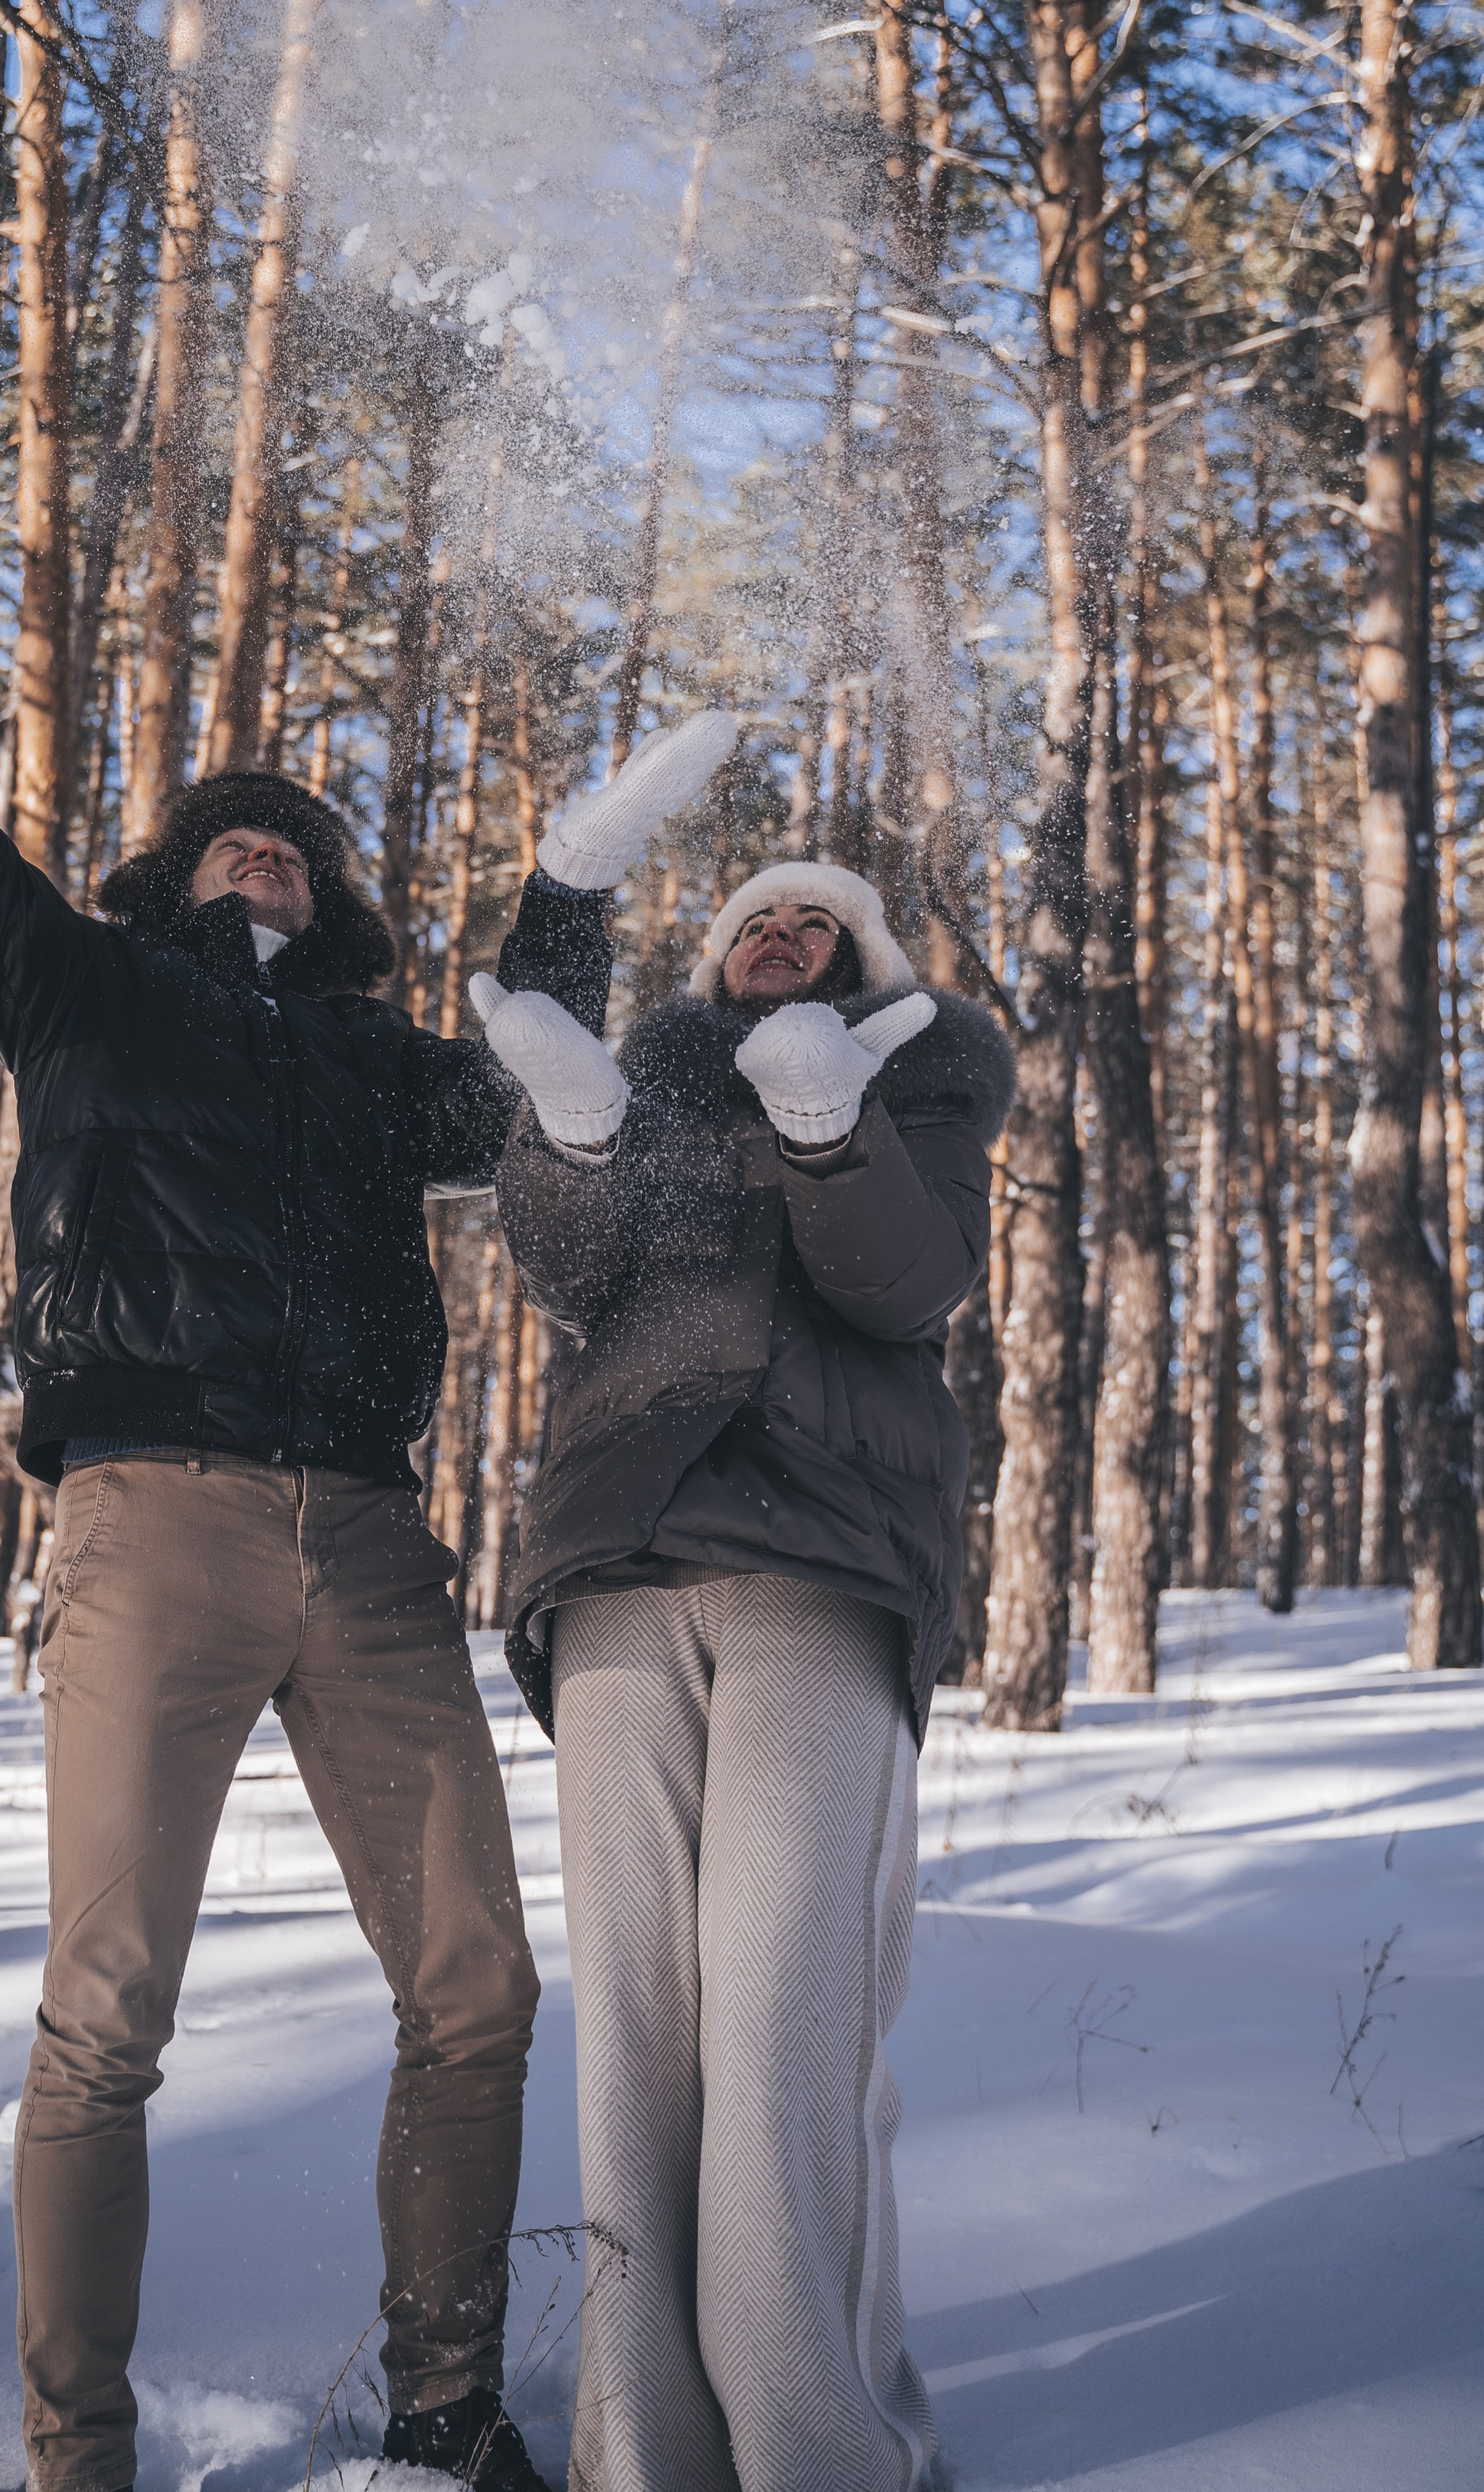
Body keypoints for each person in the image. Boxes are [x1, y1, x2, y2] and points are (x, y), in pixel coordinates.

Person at [0, 384, 737, 2492]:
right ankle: (77, 2452)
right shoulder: (84, 992)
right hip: (148, 1516)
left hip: (365, 1542)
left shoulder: (376, 1068)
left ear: (331, 902)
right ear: (166, 876)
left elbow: (546, 1095)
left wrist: (568, 890)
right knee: (110, 2006)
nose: (272, 838)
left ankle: (446, 2406)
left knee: (481, 1984)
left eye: (302, 835)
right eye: (233, 824)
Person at [470, 850, 1014, 2492]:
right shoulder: (650, 1089)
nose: (779, 937)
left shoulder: (919, 1092)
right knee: (637, 2029)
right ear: (709, 974)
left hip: (821, 1574)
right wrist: (569, 1131)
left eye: (816, 926)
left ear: (861, 971)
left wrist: (825, 1128)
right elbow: (570, 1272)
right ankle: (639, 2460)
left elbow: (902, 1282)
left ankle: (819, 2455)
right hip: (620, 1569)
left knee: (785, 2019)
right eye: (750, 926)